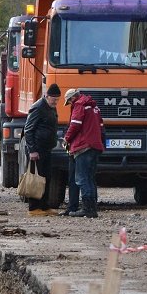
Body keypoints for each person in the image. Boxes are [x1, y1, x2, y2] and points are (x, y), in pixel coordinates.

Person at [63, 89, 105, 218]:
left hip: (83, 146)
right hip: (95, 146)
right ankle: (92, 208)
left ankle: (88, 209)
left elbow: (75, 125)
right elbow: (101, 125)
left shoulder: (79, 105)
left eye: (69, 102)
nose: (70, 104)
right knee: (90, 178)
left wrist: (66, 138)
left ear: (72, 99)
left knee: (82, 178)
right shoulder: (94, 107)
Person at [23, 84, 61, 211]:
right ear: (47, 96)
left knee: (46, 177)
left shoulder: (51, 108)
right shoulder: (38, 107)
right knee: (36, 178)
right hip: (37, 149)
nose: (55, 102)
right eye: (53, 99)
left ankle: (44, 206)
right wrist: (32, 150)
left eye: (57, 99)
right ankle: (34, 208)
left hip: (47, 148)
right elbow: (28, 130)